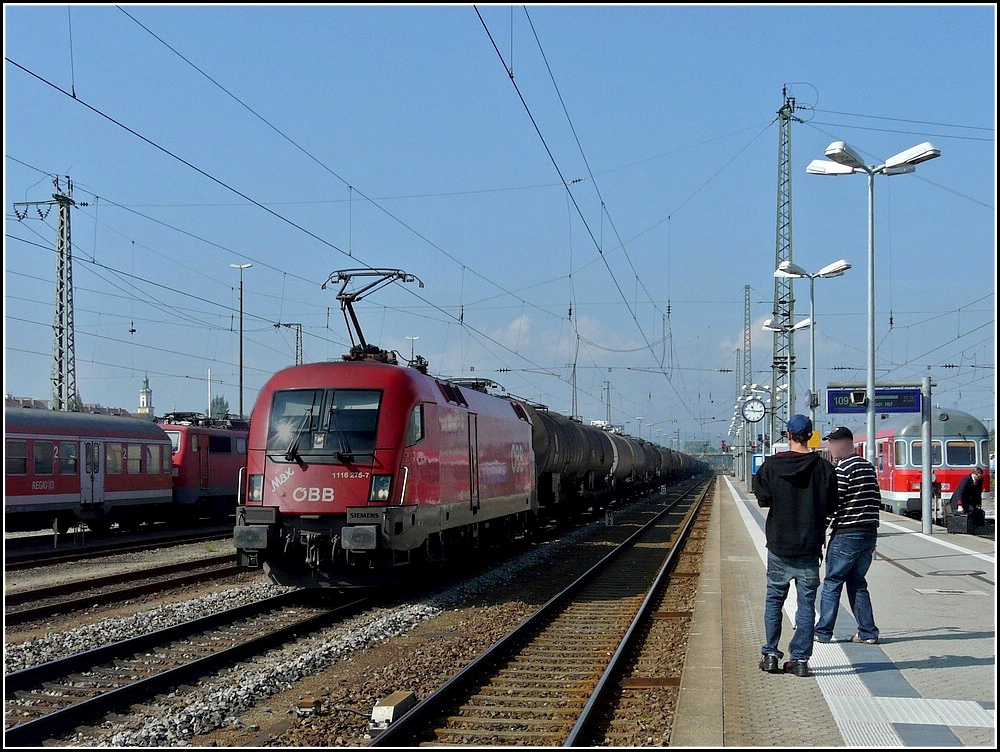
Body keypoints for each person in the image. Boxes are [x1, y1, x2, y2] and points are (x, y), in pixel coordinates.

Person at [752, 414, 839, 677]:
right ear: (810, 435)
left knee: (774, 601)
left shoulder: (770, 466)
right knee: (806, 606)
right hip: (809, 548)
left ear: (788, 435)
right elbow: (832, 506)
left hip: (779, 545)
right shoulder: (824, 469)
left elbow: (763, 499)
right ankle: (800, 660)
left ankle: (769, 655)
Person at [813, 426, 881, 645]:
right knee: (857, 582)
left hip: (846, 533)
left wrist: (820, 527)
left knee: (832, 582)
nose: (830, 446)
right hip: (869, 534)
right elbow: (875, 499)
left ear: (846, 443)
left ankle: (822, 632)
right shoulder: (868, 467)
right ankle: (867, 633)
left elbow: (834, 502)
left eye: (833, 442)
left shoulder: (843, 469)